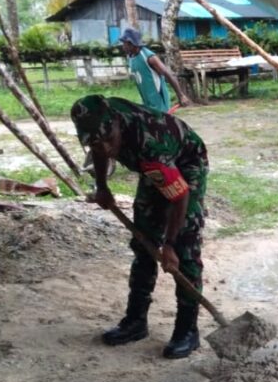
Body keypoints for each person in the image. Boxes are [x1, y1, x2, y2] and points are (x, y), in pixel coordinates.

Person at [71, 94, 208, 359]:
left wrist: (169, 245)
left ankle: (187, 331)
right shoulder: (100, 124)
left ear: (118, 125)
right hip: (154, 168)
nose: (107, 148)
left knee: (185, 248)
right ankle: (135, 321)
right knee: (143, 241)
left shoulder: (151, 146)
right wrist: (102, 187)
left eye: (109, 140)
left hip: (185, 162)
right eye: (97, 144)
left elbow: (179, 197)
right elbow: (100, 151)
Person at [120, 27, 192, 113]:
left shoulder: (149, 58)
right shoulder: (130, 57)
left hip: (158, 101)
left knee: (162, 125)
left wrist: (181, 96)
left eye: (124, 43)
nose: (122, 46)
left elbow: (168, 74)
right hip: (146, 101)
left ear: (131, 44)